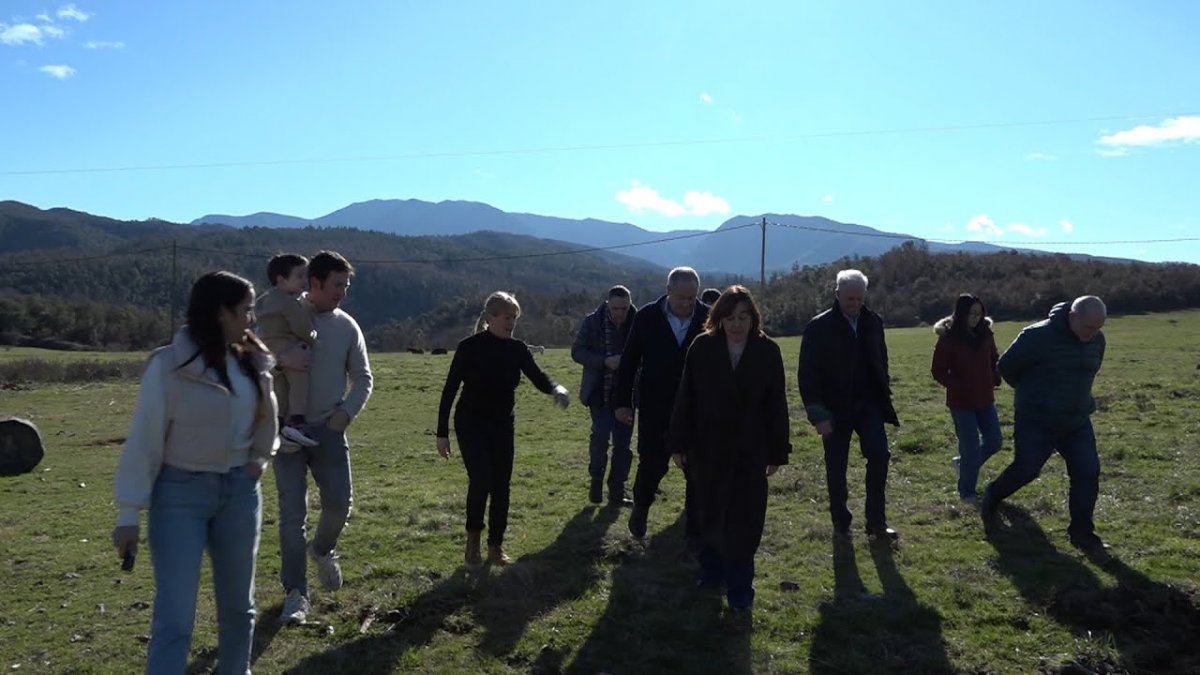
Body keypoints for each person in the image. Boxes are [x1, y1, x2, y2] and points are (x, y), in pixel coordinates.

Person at [112, 271, 279, 674]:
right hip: (179, 495)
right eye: (246, 309)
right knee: (175, 616)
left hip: (240, 493)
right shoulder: (168, 366)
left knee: (239, 608)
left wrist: (259, 460)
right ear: (222, 312)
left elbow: (267, 420)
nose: (252, 318)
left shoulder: (252, 361)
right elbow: (145, 438)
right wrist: (129, 513)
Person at [668, 285, 791, 625]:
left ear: (754, 319)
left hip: (750, 450)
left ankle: (740, 591)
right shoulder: (702, 348)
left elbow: (776, 404)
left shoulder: (767, 352)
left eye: (743, 317)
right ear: (718, 319)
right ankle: (711, 573)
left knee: (744, 521)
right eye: (730, 318)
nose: (737, 325)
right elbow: (686, 398)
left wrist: (777, 451)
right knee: (709, 511)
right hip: (707, 447)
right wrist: (678, 443)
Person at [273, 250, 373, 625]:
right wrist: (279, 361)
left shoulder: (347, 327)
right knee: (291, 517)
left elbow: (363, 378)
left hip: (329, 430)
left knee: (340, 504)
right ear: (314, 283)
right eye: (336, 285)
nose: (342, 292)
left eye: (346, 285)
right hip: (286, 432)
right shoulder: (283, 316)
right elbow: (252, 361)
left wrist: (344, 415)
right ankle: (296, 594)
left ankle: (323, 548)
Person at [436, 291, 571, 565]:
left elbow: (537, 376)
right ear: (490, 318)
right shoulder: (469, 347)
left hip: (502, 424)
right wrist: (442, 433)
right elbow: (450, 389)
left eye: (514, 318)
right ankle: (473, 542)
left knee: (501, 486)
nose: (511, 323)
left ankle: (495, 547)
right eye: (506, 317)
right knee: (481, 480)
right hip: (471, 423)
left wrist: (556, 388)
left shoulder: (517, 349)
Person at [981, 296, 1109, 554]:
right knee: (1027, 469)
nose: (1092, 334)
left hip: (1077, 420)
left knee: (1087, 473)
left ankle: (1082, 533)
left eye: (1097, 328)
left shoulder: (1097, 339)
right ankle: (993, 495)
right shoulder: (1036, 336)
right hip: (1037, 419)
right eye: (1088, 327)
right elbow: (1006, 367)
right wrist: (1033, 393)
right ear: (1072, 316)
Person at [798, 269, 901, 541]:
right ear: (837, 294)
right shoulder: (818, 327)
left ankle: (876, 523)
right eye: (849, 298)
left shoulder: (873, 322)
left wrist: (882, 395)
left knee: (880, 457)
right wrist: (818, 416)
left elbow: (881, 360)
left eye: (859, 298)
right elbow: (807, 375)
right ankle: (841, 524)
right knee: (836, 466)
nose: (855, 304)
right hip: (833, 409)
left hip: (869, 405)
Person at [615, 266, 710, 540]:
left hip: (695, 408)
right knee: (652, 463)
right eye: (681, 297)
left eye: (692, 297)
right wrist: (622, 402)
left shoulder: (708, 317)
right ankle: (641, 507)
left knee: (696, 467)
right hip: (655, 405)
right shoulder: (647, 316)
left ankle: (694, 527)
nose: (687, 303)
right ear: (668, 291)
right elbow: (629, 360)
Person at [931, 293, 1003, 502]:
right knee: (970, 447)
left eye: (979, 314)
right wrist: (958, 385)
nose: (976, 318)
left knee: (995, 441)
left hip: (985, 398)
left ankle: (963, 464)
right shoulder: (948, 338)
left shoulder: (986, 334)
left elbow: (994, 358)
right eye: (972, 314)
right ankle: (967, 492)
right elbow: (938, 370)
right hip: (961, 402)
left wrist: (995, 376)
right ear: (961, 314)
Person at [571, 285, 638, 506]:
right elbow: (577, 351)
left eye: (624, 309)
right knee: (600, 438)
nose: (620, 313)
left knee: (623, 445)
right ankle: (596, 480)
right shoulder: (592, 322)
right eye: (616, 308)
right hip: (599, 392)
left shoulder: (638, 323)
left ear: (630, 305)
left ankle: (617, 491)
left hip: (627, 395)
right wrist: (604, 362)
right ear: (608, 305)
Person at [257, 253, 318, 449]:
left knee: (280, 386)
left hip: (269, 347)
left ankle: (280, 422)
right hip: (288, 345)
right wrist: (313, 337)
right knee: (300, 379)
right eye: (299, 276)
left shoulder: (265, 299)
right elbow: (301, 326)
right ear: (281, 279)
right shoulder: (288, 302)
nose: (304, 281)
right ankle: (297, 421)